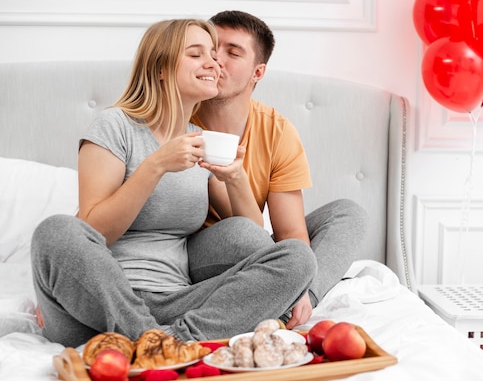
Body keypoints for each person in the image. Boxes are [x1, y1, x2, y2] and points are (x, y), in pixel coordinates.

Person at [30, 18, 316, 348]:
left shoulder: (198, 139)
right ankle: (154, 341)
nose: (213, 63)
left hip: (176, 304)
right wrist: (155, 166)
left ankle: (169, 342)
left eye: (214, 53)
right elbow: (93, 231)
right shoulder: (115, 126)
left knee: (298, 257)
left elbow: (253, 238)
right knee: (55, 230)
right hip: (95, 308)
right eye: (197, 55)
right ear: (160, 68)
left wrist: (235, 175)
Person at [191, 11, 368, 329]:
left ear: (257, 72)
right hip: (197, 251)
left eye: (233, 52)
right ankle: (281, 292)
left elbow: (291, 234)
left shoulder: (277, 130)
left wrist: (299, 282)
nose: (216, 59)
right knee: (242, 233)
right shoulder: (173, 115)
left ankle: (299, 302)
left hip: (256, 246)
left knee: (347, 214)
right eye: (211, 48)